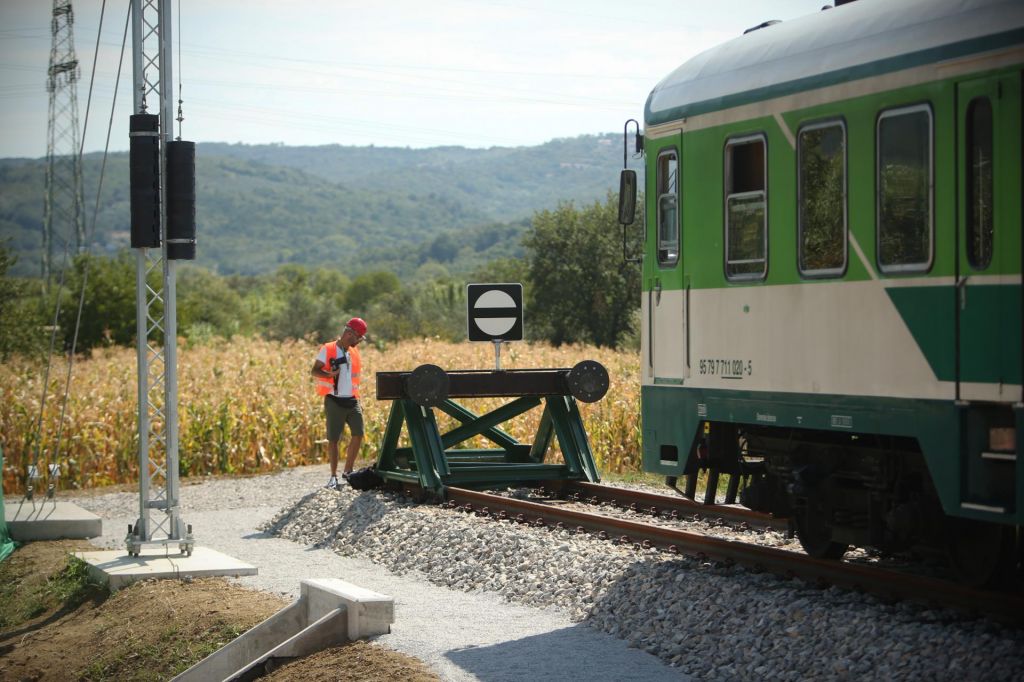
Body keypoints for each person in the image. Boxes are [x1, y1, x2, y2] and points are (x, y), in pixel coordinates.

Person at [311, 317, 367, 489]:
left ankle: (348, 470)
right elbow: (315, 370)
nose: (359, 342)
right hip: (334, 400)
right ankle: (333, 477)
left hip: (352, 400)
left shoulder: (354, 352)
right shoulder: (328, 349)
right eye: (358, 338)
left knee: (358, 433)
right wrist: (329, 374)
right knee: (333, 439)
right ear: (350, 334)